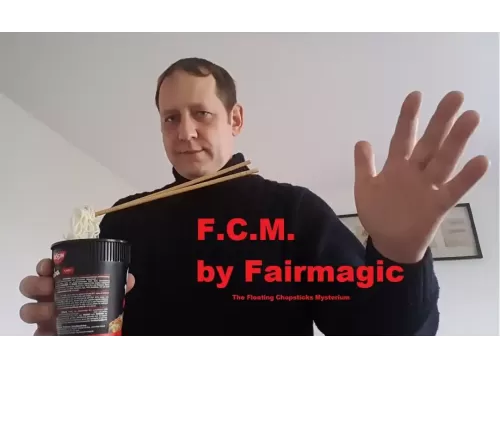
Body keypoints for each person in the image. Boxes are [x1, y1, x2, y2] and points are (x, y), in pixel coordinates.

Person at [19, 57, 490, 336]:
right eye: (170, 118)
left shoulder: (293, 211)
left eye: (202, 113)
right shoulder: (120, 221)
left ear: (235, 120)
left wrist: (400, 259)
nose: (185, 132)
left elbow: (380, 341)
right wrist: (69, 335)